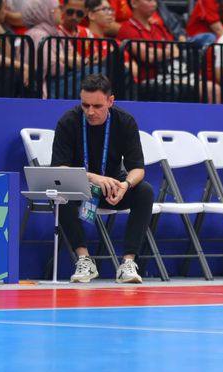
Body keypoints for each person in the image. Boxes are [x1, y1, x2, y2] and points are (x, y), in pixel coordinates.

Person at [51, 74, 154, 283]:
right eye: (85, 105)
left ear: (110, 101)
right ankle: (84, 260)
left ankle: (128, 263)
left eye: (97, 106)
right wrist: (93, 177)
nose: (90, 112)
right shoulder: (68, 122)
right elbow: (60, 168)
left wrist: (126, 185)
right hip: (80, 189)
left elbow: (138, 169)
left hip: (113, 189)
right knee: (58, 193)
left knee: (144, 191)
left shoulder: (125, 122)